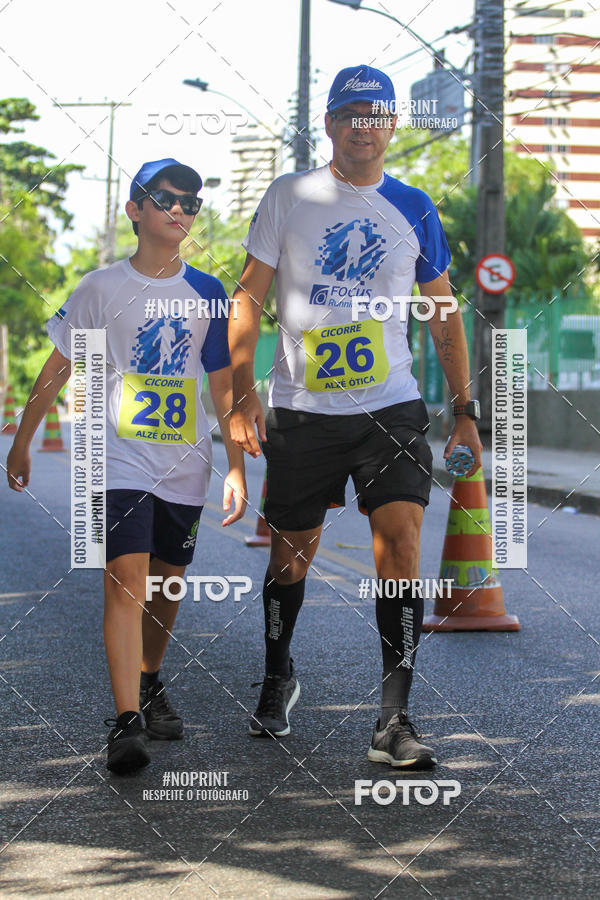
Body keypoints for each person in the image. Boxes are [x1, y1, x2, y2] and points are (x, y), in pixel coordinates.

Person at [228, 66, 482, 768]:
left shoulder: (414, 206)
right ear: (330, 125)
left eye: (375, 114)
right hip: (302, 410)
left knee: (400, 544)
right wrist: (243, 392)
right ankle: (278, 674)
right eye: (349, 114)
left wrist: (465, 411)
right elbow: (247, 296)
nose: (362, 126)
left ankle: (393, 719)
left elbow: (443, 313)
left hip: (389, 408)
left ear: (392, 125)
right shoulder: (289, 197)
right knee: (290, 556)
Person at [6, 158, 246, 775]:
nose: (180, 210)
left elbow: (222, 385)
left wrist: (237, 467)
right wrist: (23, 439)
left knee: (166, 586)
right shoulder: (100, 288)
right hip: (115, 460)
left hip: (185, 464)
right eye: (166, 199)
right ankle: (126, 721)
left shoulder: (208, 293)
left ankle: (149, 677)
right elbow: (58, 368)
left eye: (191, 202)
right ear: (135, 210)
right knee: (124, 579)